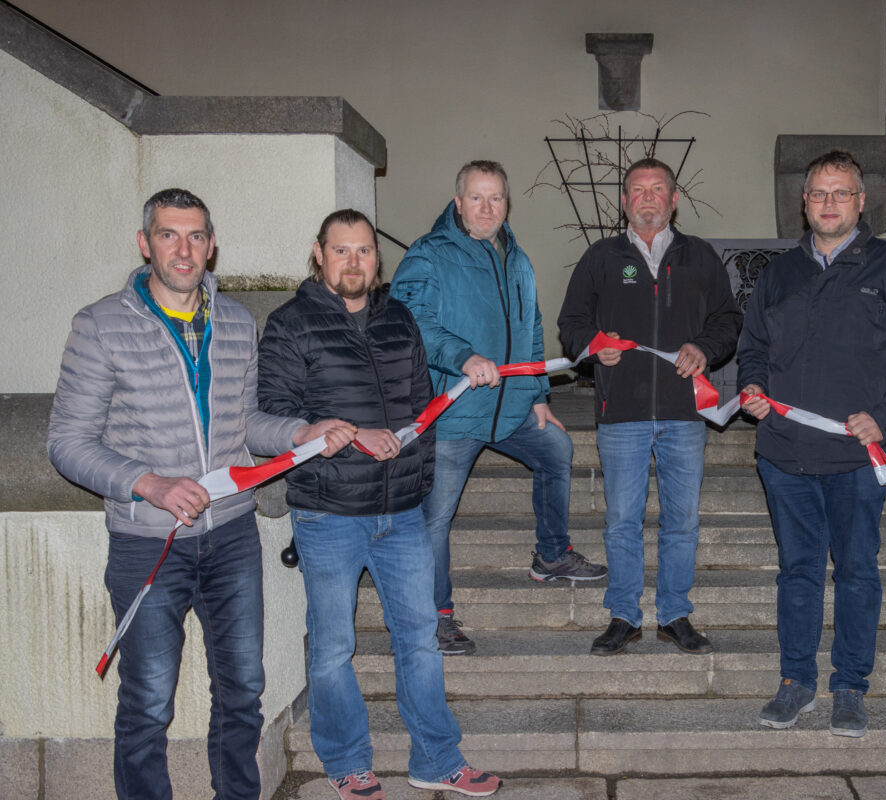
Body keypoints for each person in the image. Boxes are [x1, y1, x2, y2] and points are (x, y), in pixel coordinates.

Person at [46, 189, 356, 800]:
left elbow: (247, 428)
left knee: (243, 691)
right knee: (148, 703)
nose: (182, 249)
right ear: (145, 243)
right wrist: (149, 482)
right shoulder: (101, 323)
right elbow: (66, 442)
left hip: (233, 536)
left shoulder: (237, 322)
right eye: (168, 234)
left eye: (195, 237)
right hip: (148, 545)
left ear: (212, 247)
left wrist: (301, 432)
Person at [258, 209, 502, 799]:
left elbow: (420, 406)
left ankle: (437, 760)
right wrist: (328, 428)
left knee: (419, 637)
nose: (353, 262)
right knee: (334, 646)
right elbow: (271, 414)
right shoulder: (290, 324)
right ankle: (347, 762)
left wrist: (415, 481)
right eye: (341, 251)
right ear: (319, 254)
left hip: (402, 514)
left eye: (363, 251)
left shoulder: (399, 319)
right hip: (329, 512)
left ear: (377, 257)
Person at [738, 150, 886, 737]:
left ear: (860, 201)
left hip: (858, 459)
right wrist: (752, 386)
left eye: (841, 193)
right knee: (797, 573)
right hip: (784, 456)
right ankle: (795, 682)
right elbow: (753, 349)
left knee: (857, 573)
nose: (829, 204)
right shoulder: (778, 274)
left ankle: (850, 687)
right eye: (819, 195)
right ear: (805, 204)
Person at [392, 160, 606, 656]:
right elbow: (410, 322)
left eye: (496, 199)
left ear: (507, 203)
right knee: (434, 520)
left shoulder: (518, 258)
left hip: (508, 406)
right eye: (476, 198)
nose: (486, 208)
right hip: (452, 414)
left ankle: (551, 556)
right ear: (458, 200)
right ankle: (434, 617)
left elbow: (532, 333)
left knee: (556, 449)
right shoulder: (429, 254)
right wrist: (462, 356)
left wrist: (537, 397)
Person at [558, 157, 742, 657]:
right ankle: (623, 615)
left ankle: (675, 614)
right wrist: (594, 344)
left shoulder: (700, 257)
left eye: (657, 189)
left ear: (673, 199)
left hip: (686, 413)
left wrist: (705, 346)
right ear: (624, 200)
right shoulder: (600, 257)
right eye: (637, 189)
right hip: (622, 413)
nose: (647, 197)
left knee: (681, 520)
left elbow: (728, 320)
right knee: (622, 520)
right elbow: (570, 323)